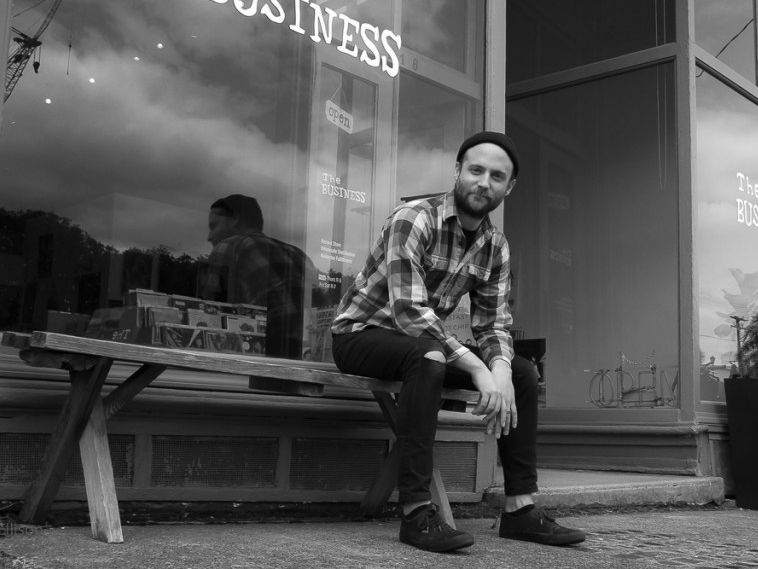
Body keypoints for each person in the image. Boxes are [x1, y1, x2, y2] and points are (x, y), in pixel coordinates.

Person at [330, 131, 585, 553]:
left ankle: (520, 509)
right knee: (429, 356)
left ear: (509, 187)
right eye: (476, 170)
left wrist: (499, 371)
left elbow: (493, 324)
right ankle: (416, 513)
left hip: (421, 346)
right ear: (457, 171)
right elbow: (409, 311)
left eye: (497, 176)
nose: (484, 182)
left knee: (522, 371)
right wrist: (477, 367)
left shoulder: (496, 246)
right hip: (360, 335)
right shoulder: (414, 218)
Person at [200, 194, 317, 358]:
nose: (209, 237)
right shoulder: (299, 255)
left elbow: (209, 316)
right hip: (304, 357)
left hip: (257, 354)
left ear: (235, 220)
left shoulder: (228, 247)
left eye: (213, 226)